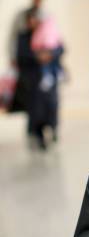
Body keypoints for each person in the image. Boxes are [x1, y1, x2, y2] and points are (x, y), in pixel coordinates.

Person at [15, 9, 63, 150]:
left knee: (52, 106)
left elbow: (60, 47)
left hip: (50, 79)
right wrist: (37, 57)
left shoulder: (47, 33)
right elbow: (21, 56)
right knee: (37, 111)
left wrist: (50, 55)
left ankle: (53, 129)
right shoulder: (23, 37)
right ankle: (39, 135)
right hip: (33, 80)